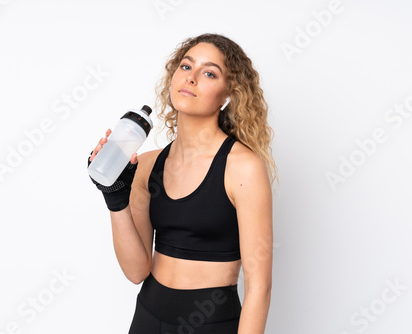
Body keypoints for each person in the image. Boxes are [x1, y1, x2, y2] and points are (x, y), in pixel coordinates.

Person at [88, 33, 278, 333]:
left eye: (209, 73)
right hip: (147, 317)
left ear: (228, 93)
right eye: (186, 67)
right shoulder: (148, 164)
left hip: (211, 323)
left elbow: (259, 288)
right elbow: (137, 271)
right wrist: (115, 198)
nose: (191, 78)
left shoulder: (242, 168)